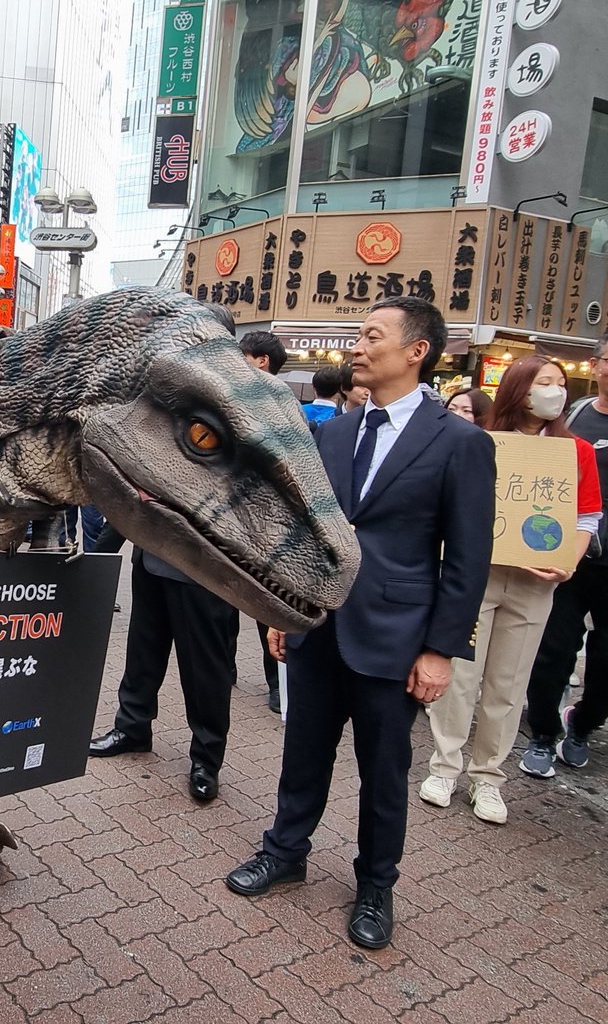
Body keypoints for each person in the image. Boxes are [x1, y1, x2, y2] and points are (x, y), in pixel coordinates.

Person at [224, 296, 495, 951]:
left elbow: (466, 559)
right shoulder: (336, 432)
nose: (357, 344)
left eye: (373, 334)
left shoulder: (460, 442)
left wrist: (439, 650)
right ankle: (284, 851)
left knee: (383, 774)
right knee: (303, 753)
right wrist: (285, 611)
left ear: (415, 351)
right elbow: (306, 531)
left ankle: (375, 885)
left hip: (396, 640)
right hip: (320, 628)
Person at [420, 357, 600, 823]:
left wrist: (567, 561)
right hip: (474, 575)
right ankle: (444, 766)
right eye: (545, 383)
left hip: (534, 582)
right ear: (519, 389)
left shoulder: (574, 451)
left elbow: (586, 516)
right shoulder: (479, 442)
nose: (556, 391)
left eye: (561, 384)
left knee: (508, 681)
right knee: (460, 675)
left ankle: (488, 777)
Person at [88, 523, 239, 803]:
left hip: (202, 570)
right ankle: (132, 729)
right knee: (141, 655)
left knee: (203, 672)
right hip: (150, 558)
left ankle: (207, 760)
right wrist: (99, 556)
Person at [522, 337, 608, 777]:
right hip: (567, 562)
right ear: (596, 366)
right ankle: (542, 734)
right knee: (553, 652)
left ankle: (584, 723)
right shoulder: (575, 424)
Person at [239, 330, 290, 711]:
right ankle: (224, 668)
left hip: (268, 524)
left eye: (243, 356)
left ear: (261, 361)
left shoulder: (282, 405)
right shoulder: (234, 396)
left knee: (266, 604)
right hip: (233, 518)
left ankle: (276, 682)